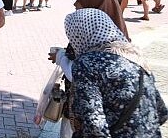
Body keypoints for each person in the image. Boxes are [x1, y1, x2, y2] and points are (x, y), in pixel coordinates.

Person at [63, 8, 167, 137]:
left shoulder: (86, 64)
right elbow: (161, 112)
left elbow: (95, 125)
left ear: (80, 33)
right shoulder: (134, 55)